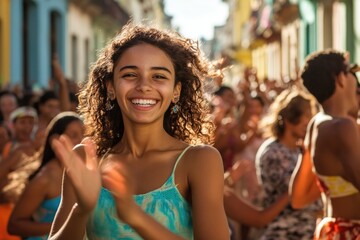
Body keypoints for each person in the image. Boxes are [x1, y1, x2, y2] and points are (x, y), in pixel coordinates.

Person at [48, 23, 230, 240]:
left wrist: (134, 216)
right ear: (111, 87)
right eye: (130, 74)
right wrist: (81, 209)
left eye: (159, 76)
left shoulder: (200, 161)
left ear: (176, 91)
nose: (144, 85)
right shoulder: (86, 159)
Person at [289, 49, 360, 239]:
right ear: (340, 79)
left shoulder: (316, 124)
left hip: (334, 231)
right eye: (352, 73)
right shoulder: (342, 127)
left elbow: (298, 197)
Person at [255, 88, 322, 239]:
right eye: (307, 115)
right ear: (290, 118)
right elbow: (296, 196)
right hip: (283, 234)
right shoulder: (272, 152)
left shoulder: (300, 150)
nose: (310, 121)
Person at [7, 111, 83, 240]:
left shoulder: (84, 171)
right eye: (74, 135)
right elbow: (14, 225)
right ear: (56, 141)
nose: (81, 140)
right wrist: (60, 226)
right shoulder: (45, 178)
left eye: (85, 134)